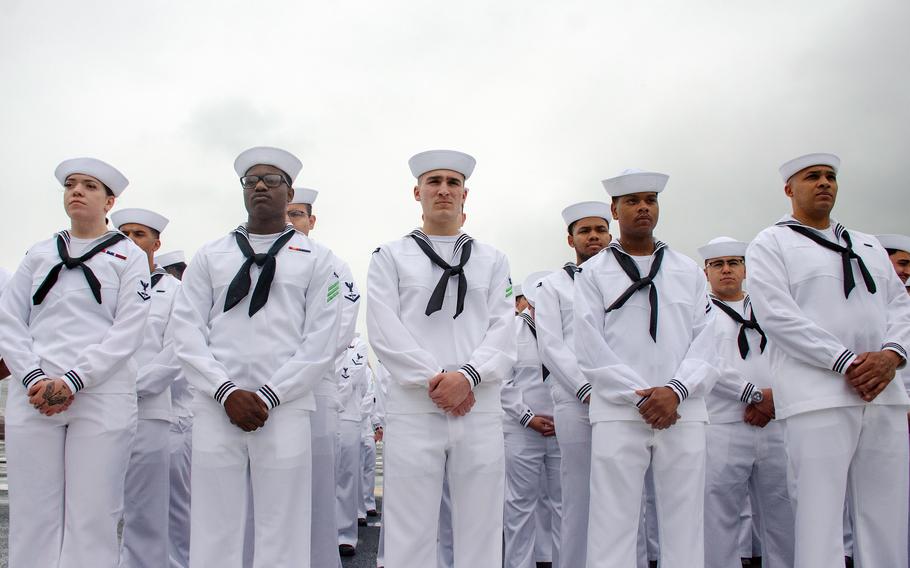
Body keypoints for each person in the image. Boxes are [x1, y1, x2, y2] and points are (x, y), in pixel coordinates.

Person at [171, 146, 341, 566]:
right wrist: (224, 390)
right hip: (217, 407)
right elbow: (186, 330)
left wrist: (269, 395)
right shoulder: (211, 255)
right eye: (251, 181)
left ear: (290, 192)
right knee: (214, 527)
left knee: (283, 529)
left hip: (284, 409)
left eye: (272, 180)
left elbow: (321, 340)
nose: (261, 186)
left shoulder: (319, 259)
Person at [747, 153, 910, 567]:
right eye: (813, 177)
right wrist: (846, 362)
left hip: (882, 392)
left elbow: (900, 306)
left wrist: (891, 356)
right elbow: (777, 315)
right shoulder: (771, 242)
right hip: (818, 395)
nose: (824, 183)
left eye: (831, 177)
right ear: (789, 189)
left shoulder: (868, 243)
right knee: (819, 517)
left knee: (886, 514)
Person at [366, 149, 516, 567]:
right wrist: (438, 380)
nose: (444, 191)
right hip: (416, 405)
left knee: (481, 528)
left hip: (478, 405)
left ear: (466, 194)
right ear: (417, 192)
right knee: (409, 530)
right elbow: (383, 328)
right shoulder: (389, 256)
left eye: (453, 183)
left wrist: (467, 377)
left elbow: (505, 328)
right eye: (434, 182)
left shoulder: (493, 259)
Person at [0, 157, 151, 568]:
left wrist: (73, 379)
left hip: (100, 393)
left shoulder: (128, 256)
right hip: (34, 393)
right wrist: (34, 376)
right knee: (33, 513)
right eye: (71, 185)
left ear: (109, 201)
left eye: (88, 186)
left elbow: (129, 328)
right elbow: (9, 321)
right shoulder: (38, 252)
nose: (77, 191)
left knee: (93, 514)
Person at [575, 169, 717, 568]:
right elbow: (589, 348)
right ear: (614, 210)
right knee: (612, 524)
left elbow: (708, 341)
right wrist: (643, 396)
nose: (643, 208)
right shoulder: (592, 273)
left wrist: (675, 391)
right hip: (620, 413)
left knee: (685, 523)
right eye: (633, 201)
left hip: (682, 411)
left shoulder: (687, 270)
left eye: (650, 201)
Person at [697, 236, 794, 568]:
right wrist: (753, 394)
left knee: (783, 513)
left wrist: (776, 397)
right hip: (723, 424)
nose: (726, 270)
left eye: (734, 263)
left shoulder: (771, 308)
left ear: (745, 269)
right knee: (718, 517)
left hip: (776, 422)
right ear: (706, 272)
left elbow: (791, 354)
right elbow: (706, 363)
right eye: (718, 264)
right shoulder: (699, 313)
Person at [534, 200, 611, 568]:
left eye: (600, 230)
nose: (593, 237)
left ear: (610, 235)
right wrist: (586, 389)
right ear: (571, 239)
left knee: (626, 496)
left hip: (622, 400)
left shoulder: (625, 278)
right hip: (575, 400)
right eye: (585, 231)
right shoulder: (553, 286)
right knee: (576, 496)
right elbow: (550, 344)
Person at [287, 185, 361, 567]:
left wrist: (297, 370)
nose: (290, 221)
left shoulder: (333, 265)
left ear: (312, 221)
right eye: (286, 213)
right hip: (263, 386)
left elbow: (341, 328)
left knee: (317, 482)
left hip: (315, 385)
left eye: (298, 214)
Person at [112, 207, 182, 568]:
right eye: (123, 233)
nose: (130, 241)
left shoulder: (176, 292)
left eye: (139, 235)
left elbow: (175, 352)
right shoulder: (103, 283)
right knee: (96, 504)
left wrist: (127, 387)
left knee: (146, 508)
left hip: (149, 409)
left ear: (156, 243)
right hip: (100, 405)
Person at [501, 271, 562, 568]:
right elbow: (502, 381)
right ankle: (519, 563)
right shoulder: (510, 331)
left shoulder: (567, 329)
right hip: (522, 429)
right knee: (520, 504)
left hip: (563, 428)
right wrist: (528, 417)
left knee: (563, 504)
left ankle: (556, 559)